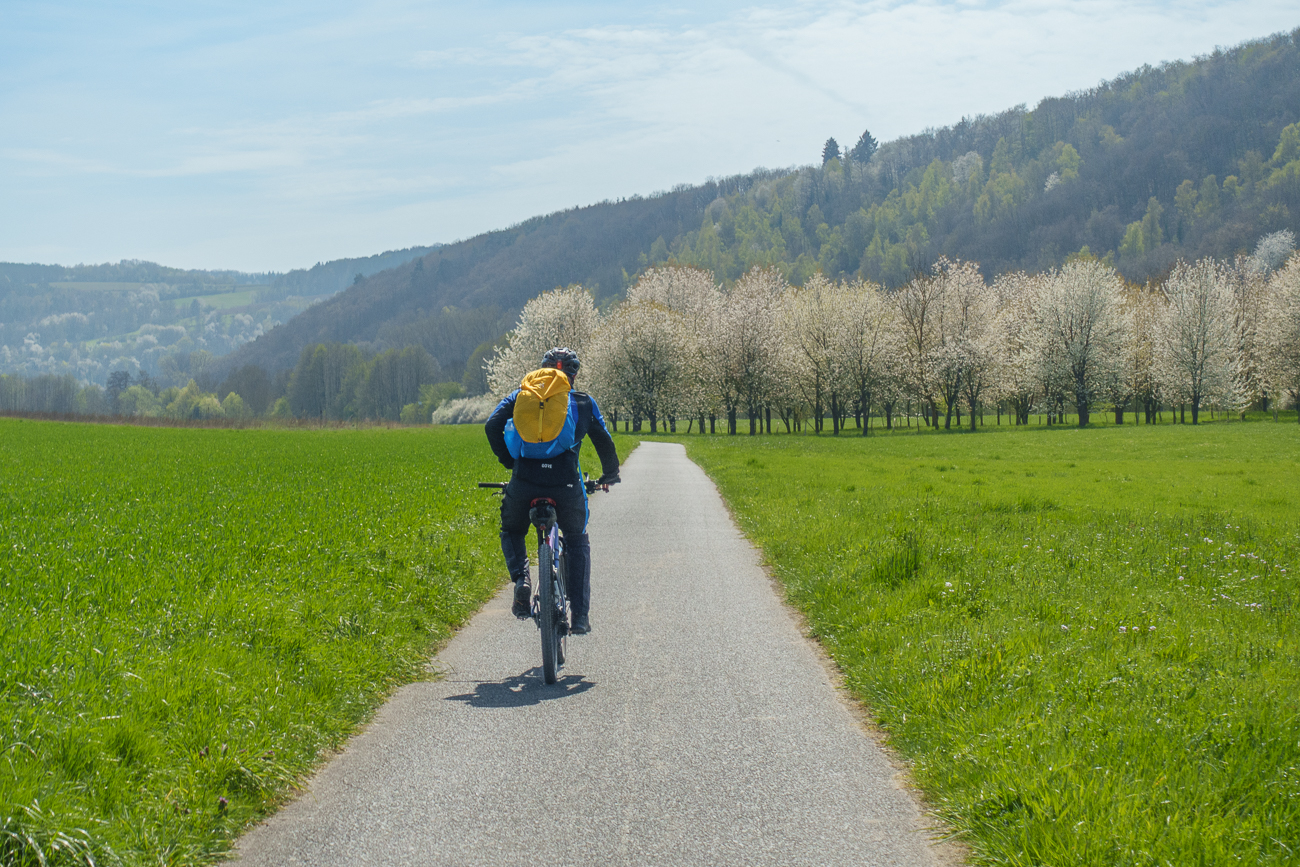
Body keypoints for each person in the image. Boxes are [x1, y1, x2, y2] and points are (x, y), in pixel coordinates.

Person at [485, 347, 620, 634]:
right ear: (573, 376)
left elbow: (492, 424)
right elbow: (603, 440)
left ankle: (522, 580)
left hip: (525, 480)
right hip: (566, 482)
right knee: (576, 538)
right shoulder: (582, 401)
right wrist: (610, 474)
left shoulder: (521, 395)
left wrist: (510, 462)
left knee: (512, 530)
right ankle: (580, 616)